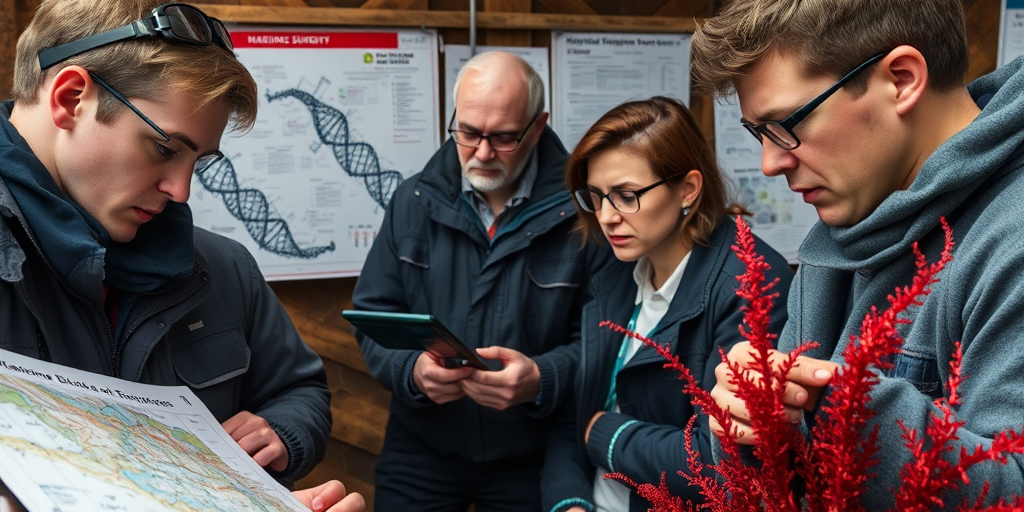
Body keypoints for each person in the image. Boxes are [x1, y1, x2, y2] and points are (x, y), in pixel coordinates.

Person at [690, 0, 1024, 507]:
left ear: (902, 79)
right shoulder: (838, 239)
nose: (768, 164)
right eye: (758, 132)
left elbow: (1013, 488)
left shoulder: (1012, 238)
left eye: (786, 122)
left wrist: (845, 407)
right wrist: (749, 422)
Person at [2, 0, 335, 493]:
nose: (181, 191)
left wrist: (283, 433)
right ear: (72, 98)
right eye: (164, 148)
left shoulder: (222, 268)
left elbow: (299, 391)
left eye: (197, 162)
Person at [353, 51, 613, 511]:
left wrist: (542, 378)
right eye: (468, 132)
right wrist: (411, 371)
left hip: (532, 454)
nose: (483, 152)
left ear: (538, 126)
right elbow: (374, 315)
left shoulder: (587, 213)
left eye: (505, 137)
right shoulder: (413, 199)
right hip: (421, 447)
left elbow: (607, 341)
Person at [540, 97, 792, 512]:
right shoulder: (616, 264)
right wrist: (569, 503)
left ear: (688, 189)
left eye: (625, 195)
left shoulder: (750, 281)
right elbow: (574, 414)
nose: (606, 216)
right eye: (596, 196)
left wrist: (604, 434)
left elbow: (723, 464)